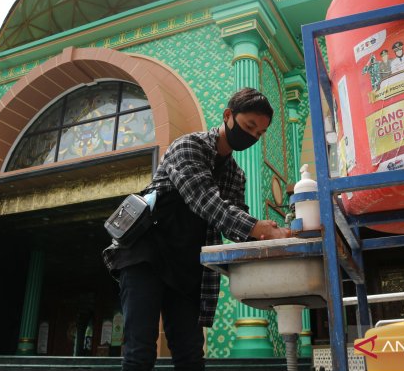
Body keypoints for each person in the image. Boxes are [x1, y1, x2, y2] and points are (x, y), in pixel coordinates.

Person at [103, 88, 291, 371]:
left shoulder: (235, 174)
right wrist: (258, 228)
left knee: (190, 356)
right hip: (146, 256)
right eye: (249, 126)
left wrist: (272, 232)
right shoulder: (188, 146)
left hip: (187, 268)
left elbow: (237, 223)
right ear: (228, 116)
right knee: (140, 352)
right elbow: (205, 201)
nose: (252, 135)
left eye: (259, 133)